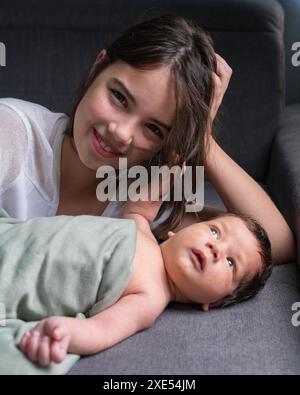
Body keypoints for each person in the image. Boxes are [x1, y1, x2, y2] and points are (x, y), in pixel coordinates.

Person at [0, 14, 295, 266]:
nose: (121, 133)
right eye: (119, 97)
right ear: (96, 69)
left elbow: (273, 243)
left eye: (154, 128)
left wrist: (202, 140)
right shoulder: (13, 130)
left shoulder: (141, 204)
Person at [15, 188, 273, 367]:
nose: (217, 248)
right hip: (19, 234)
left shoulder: (151, 297)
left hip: (21, 278)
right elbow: (140, 209)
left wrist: (66, 333)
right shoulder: (142, 230)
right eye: (215, 232)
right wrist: (172, 168)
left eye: (231, 263)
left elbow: (104, 330)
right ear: (175, 233)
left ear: (216, 302)